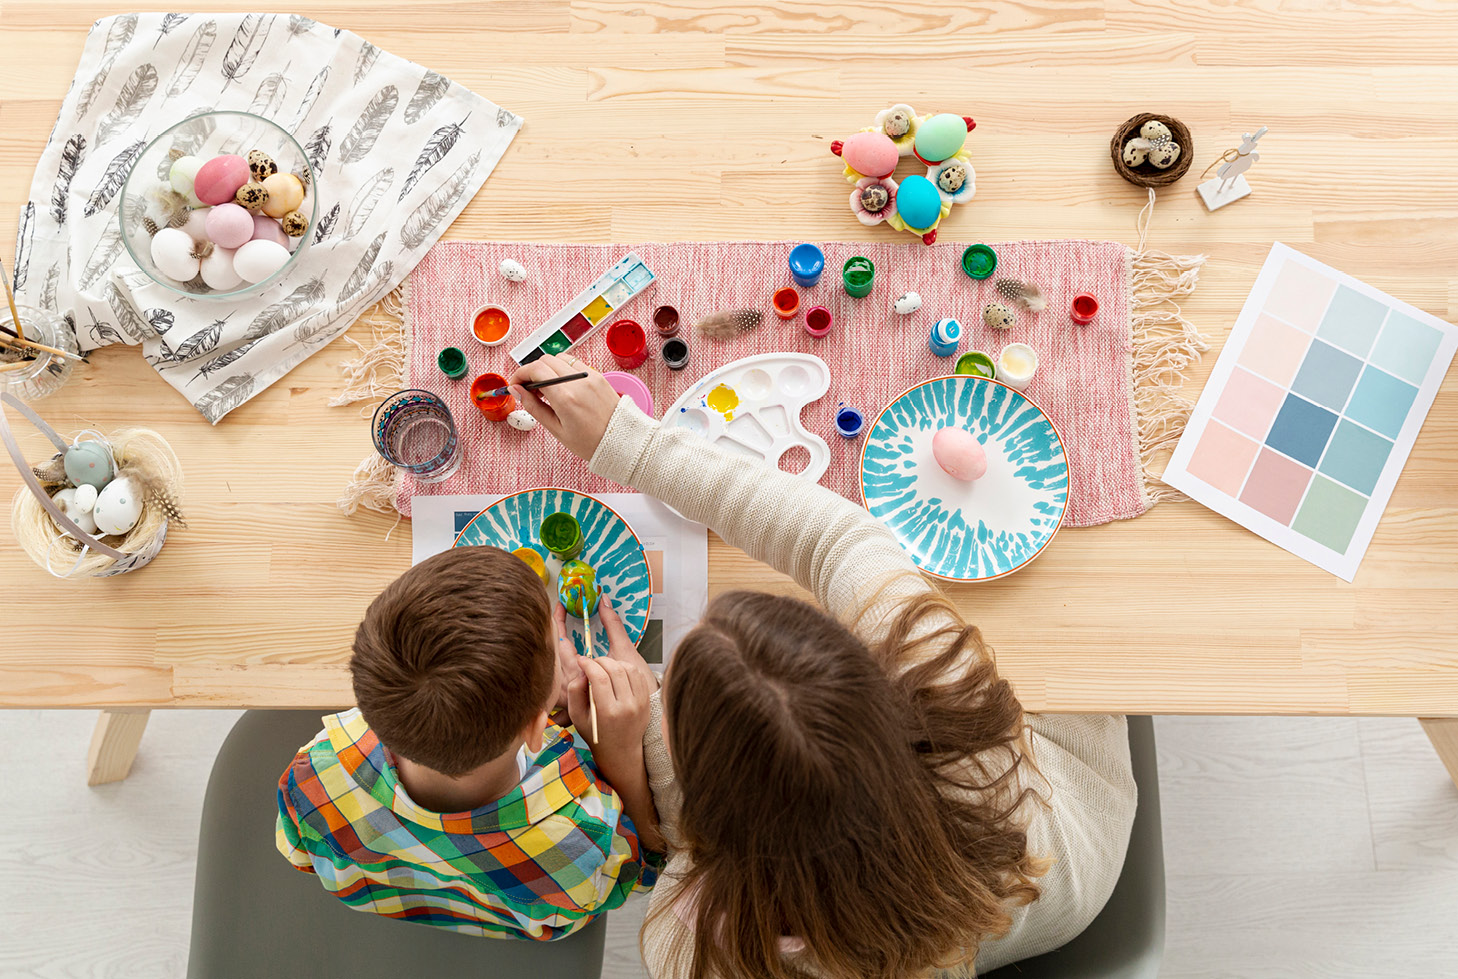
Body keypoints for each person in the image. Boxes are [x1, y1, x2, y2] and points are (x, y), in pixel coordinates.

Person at [509, 353, 1137, 976]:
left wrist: (625, 753)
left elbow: (670, 841)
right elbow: (841, 541)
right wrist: (631, 445)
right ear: (874, 685)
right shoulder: (947, 694)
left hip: (1038, 849)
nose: (660, 681)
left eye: (667, 692)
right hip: (1063, 849)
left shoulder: (695, 950)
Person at [274, 545, 664, 940]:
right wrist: (621, 756)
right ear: (536, 728)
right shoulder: (580, 844)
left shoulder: (313, 774)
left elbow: (301, 856)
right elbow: (646, 870)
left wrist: (533, 697)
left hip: (383, 896)